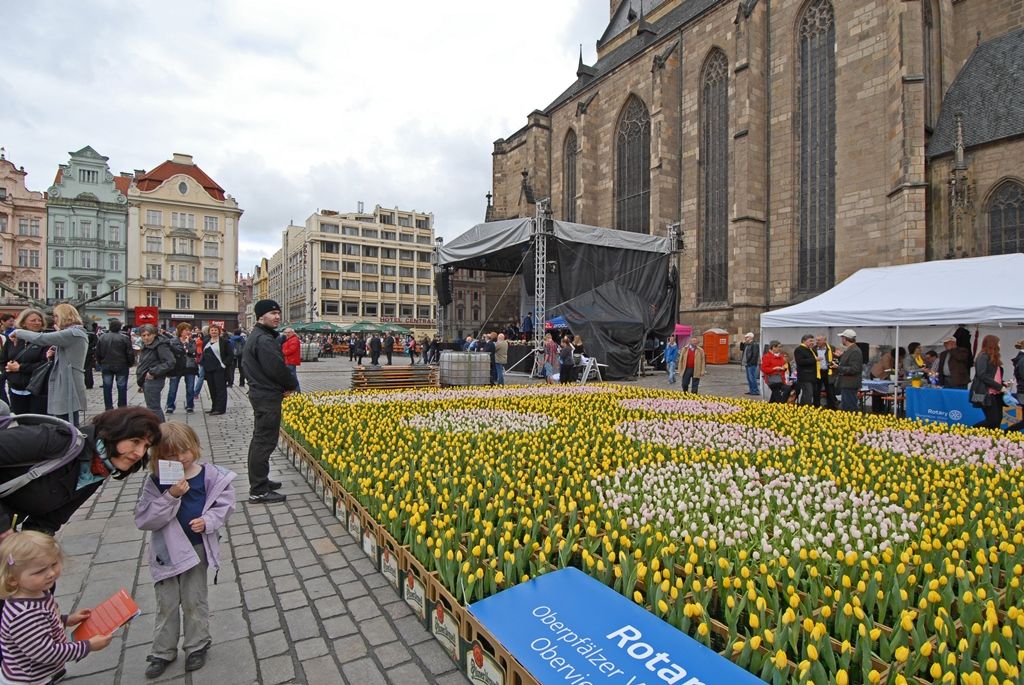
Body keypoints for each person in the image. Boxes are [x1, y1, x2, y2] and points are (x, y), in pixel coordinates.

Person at [135, 422, 236, 678]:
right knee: (166, 603)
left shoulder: (209, 475)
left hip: (197, 548)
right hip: (166, 551)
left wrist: (209, 522)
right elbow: (145, 519)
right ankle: (163, 651)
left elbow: (224, 506)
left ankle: (197, 645)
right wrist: (171, 495)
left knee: (194, 599)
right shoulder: (157, 482)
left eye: (184, 451)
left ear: (195, 447)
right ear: (158, 456)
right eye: (170, 455)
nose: (179, 458)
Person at [0, 406, 162, 537]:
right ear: (113, 434)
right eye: (135, 441)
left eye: (146, 446)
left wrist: (36, 552)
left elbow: (49, 520)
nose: (140, 453)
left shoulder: (97, 469)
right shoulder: (54, 440)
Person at [0, 531, 114, 683]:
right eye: (40, 571)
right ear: (13, 579)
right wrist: (87, 646)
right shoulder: (24, 615)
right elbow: (46, 653)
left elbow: (42, 621)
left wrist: (67, 619)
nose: (51, 573)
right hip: (29, 680)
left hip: (39, 672)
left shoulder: (35, 592)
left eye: (54, 564)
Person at [241, 300, 297, 504]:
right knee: (264, 442)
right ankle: (258, 490)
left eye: (278, 313)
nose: (277, 317)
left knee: (261, 439)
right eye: (272, 313)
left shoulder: (259, 336)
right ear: (260, 317)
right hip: (266, 396)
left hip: (261, 393)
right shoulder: (263, 340)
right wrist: (290, 384)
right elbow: (277, 368)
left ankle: (261, 481)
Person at [12, 303, 88, 426]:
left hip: (67, 383)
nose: (54, 319)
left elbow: (41, 338)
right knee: (64, 419)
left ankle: (71, 444)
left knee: (67, 422)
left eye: (56, 316)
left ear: (63, 316)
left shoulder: (73, 333)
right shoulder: (74, 332)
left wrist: (18, 332)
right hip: (66, 381)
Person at [2, 308, 49, 416]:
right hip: (15, 388)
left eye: (39, 320)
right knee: (21, 421)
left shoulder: (45, 340)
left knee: (37, 421)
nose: (37, 323)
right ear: (23, 323)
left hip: (37, 389)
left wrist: (21, 368)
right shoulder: (13, 339)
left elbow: (46, 364)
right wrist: (8, 374)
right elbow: (3, 360)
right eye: (33, 320)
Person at [135, 325, 175, 423]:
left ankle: (161, 430)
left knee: (154, 408)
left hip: (154, 380)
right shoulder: (148, 345)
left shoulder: (160, 345)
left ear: (154, 335)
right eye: (143, 335)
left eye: (149, 335)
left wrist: (153, 372)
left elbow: (170, 362)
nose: (146, 337)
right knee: (151, 408)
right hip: (147, 380)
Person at [969, 334, 1007, 429]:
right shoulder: (983, 357)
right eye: (998, 342)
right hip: (985, 393)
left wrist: (1003, 384)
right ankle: (969, 431)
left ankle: (992, 440)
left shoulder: (994, 357)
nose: (1000, 344)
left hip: (996, 393)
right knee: (992, 420)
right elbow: (982, 375)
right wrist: (1000, 387)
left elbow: (995, 376)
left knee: (998, 419)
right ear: (992, 343)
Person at [96, 319, 134, 410]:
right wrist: (130, 363)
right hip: (121, 364)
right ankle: (122, 407)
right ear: (119, 328)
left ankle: (108, 407)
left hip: (106, 363)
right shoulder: (124, 338)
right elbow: (129, 352)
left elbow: (98, 352)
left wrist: (100, 361)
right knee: (122, 387)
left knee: (107, 387)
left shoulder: (102, 337)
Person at [166, 323, 198, 415]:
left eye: (189, 330)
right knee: (173, 388)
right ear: (180, 331)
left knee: (190, 388)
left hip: (190, 366)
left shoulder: (192, 341)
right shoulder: (173, 341)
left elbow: (192, 351)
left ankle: (190, 406)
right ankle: (170, 406)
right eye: (186, 330)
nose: (188, 332)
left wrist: (187, 344)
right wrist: (184, 349)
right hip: (177, 367)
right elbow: (175, 352)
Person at [201, 324, 233, 416]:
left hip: (219, 369)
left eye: (215, 330)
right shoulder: (206, 341)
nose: (214, 332)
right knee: (212, 389)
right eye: (212, 330)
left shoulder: (224, 342)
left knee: (220, 389)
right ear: (209, 332)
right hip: (209, 369)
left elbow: (230, 355)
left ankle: (220, 408)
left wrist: (223, 365)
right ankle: (214, 407)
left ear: (219, 331)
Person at [834, 329, 864, 412]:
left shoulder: (855, 351)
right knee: (846, 406)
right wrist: (840, 357)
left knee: (849, 407)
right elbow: (848, 363)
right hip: (847, 383)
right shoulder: (850, 349)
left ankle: (852, 422)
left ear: (845, 339)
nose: (841, 340)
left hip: (850, 384)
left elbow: (855, 369)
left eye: (842, 338)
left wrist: (838, 367)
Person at [793, 334, 819, 406]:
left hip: (812, 376)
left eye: (813, 341)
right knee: (808, 393)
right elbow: (800, 362)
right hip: (805, 376)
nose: (812, 343)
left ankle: (802, 409)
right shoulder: (799, 350)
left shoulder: (811, 350)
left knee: (807, 394)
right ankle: (806, 409)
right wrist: (814, 359)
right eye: (810, 341)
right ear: (804, 341)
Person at [813, 335, 836, 409]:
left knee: (830, 390)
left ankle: (831, 407)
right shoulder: (813, 349)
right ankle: (816, 406)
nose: (817, 342)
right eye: (816, 340)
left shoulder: (831, 348)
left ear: (824, 341)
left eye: (819, 340)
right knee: (816, 390)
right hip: (818, 372)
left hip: (828, 371)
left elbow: (836, 359)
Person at [0, 313, 15, 408]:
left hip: (2, 370)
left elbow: (6, 355)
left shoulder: (3, 337)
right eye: (10, 321)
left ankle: (7, 409)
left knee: (1, 392)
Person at [280, 328, 301, 392]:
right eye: (285, 332)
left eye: (288, 332)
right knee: (291, 377)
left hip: (291, 360)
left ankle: (297, 391)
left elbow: (291, 350)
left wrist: (282, 353)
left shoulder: (294, 339)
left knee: (292, 377)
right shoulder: (289, 339)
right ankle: (294, 390)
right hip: (288, 360)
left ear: (292, 332)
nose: (286, 334)